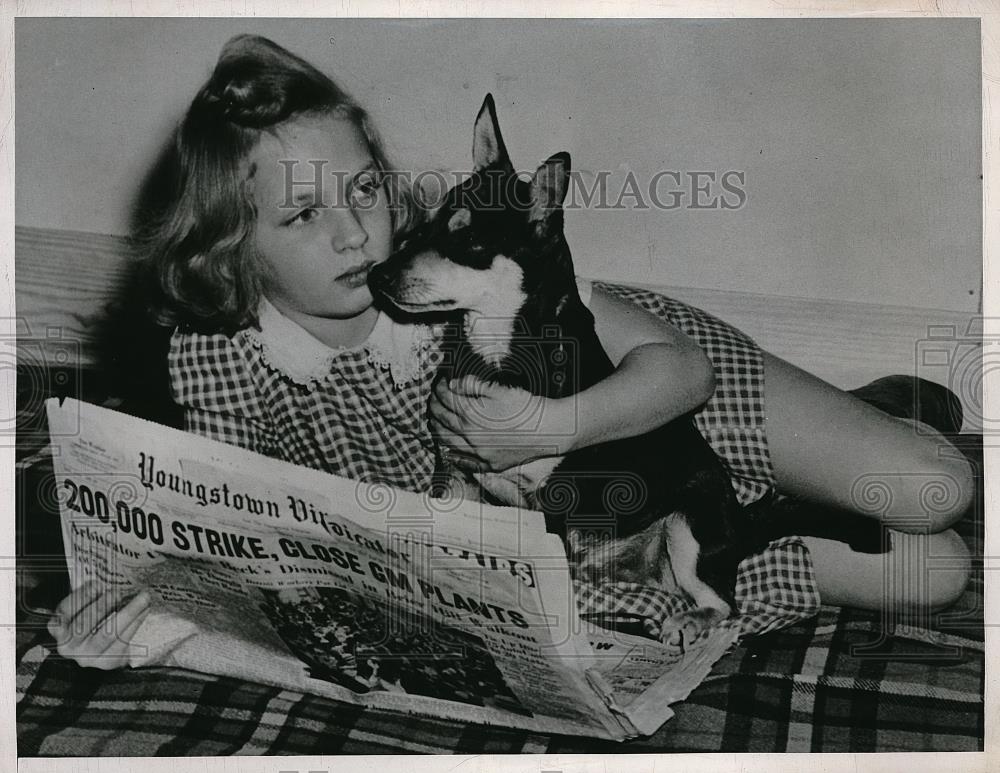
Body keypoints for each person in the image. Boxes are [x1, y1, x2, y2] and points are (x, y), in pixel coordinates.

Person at [48, 34, 973, 669]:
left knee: (937, 489)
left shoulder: (452, 280)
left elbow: (679, 372)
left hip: (653, 388)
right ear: (229, 249)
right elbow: (227, 550)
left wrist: (550, 419)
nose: (355, 233)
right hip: (612, 510)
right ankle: (802, 472)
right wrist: (129, 619)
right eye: (301, 213)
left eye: (364, 188)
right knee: (940, 570)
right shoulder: (227, 372)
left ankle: (872, 411)